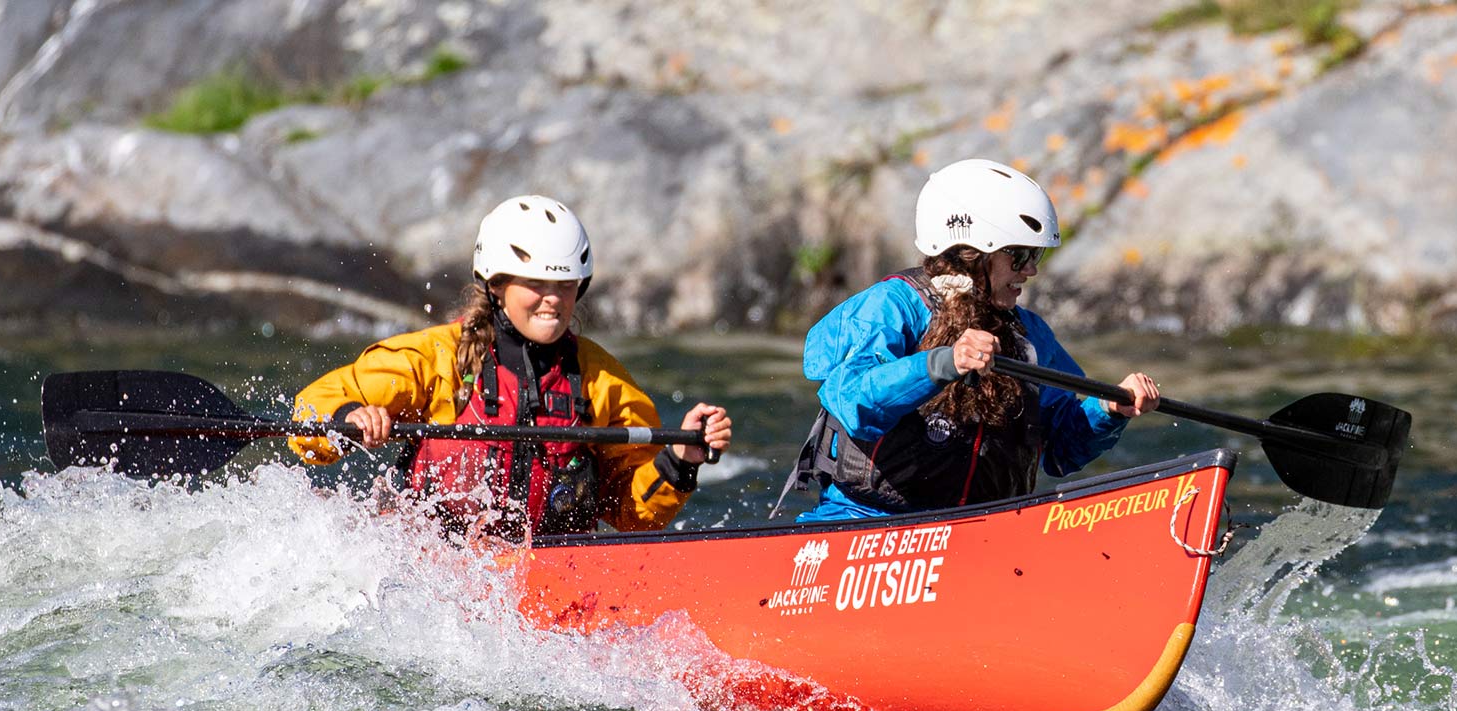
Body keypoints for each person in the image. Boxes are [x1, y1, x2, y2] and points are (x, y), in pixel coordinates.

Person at [289, 194, 731, 539]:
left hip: (556, 582)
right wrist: (350, 417)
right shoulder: (435, 358)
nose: (552, 299)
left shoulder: (602, 380)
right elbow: (310, 411)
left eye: (564, 285)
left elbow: (632, 516)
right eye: (535, 284)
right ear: (496, 284)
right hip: (430, 579)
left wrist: (680, 460)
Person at [782, 158, 1161, 521]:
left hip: (983, 530)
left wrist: (1109, 410)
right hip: (866, 520)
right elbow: (855, 404)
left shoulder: (1029, 335)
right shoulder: (891, 306)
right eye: (1019, 255)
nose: (1030, 270)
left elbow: (1061, 451)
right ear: (971, 253)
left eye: (1036, 255)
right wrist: (944, 363)